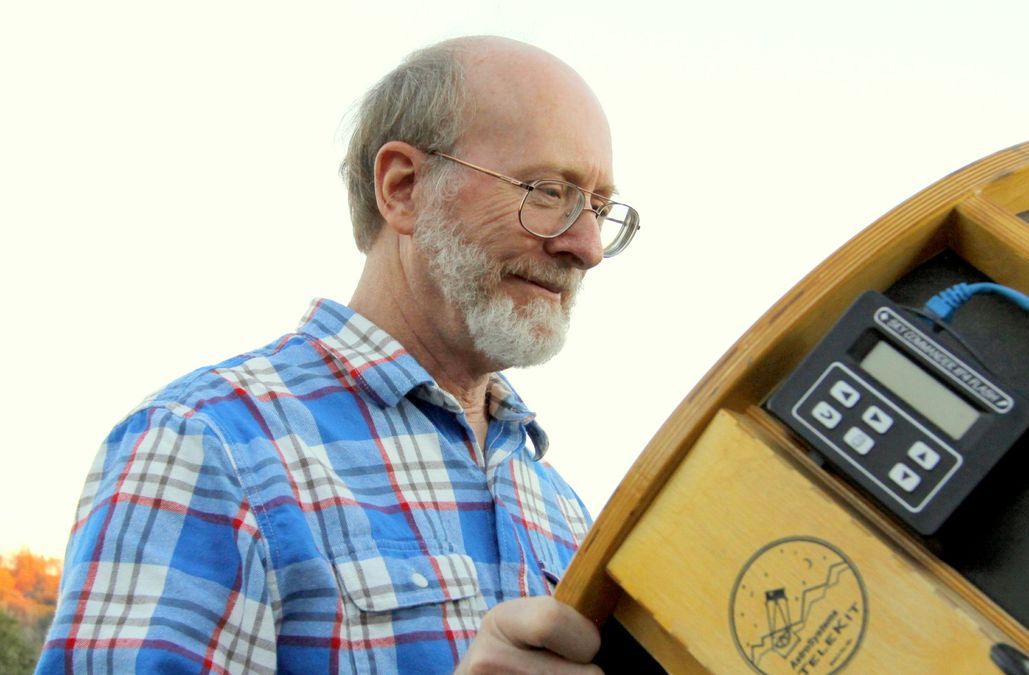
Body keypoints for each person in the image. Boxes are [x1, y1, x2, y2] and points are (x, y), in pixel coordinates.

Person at [37, 35, 639, 674]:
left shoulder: (562, 509)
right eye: (548, 191)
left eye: (599, 209)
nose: (587, 246)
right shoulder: (205, 443)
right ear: (403, 188)